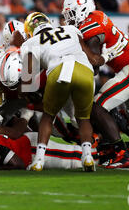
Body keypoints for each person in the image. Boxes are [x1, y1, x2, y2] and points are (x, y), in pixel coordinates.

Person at [62, 0, 129, 168]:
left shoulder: (90, 28)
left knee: (96, 106)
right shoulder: (97, 15)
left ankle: (121, 153)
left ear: (83, 9)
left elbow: (93, 66)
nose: (69, 18)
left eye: (72, 13)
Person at [20, 12, 98, 172]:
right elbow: (94, 59)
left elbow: (27, 79)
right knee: (83, 118)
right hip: (84, 70)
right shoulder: (70, 29)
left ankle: (39, 161)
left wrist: (26, 95)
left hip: (59, 70)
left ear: (29, 31)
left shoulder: (31, 43)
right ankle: (88, 157)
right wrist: (108, 56)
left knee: (48, 117)